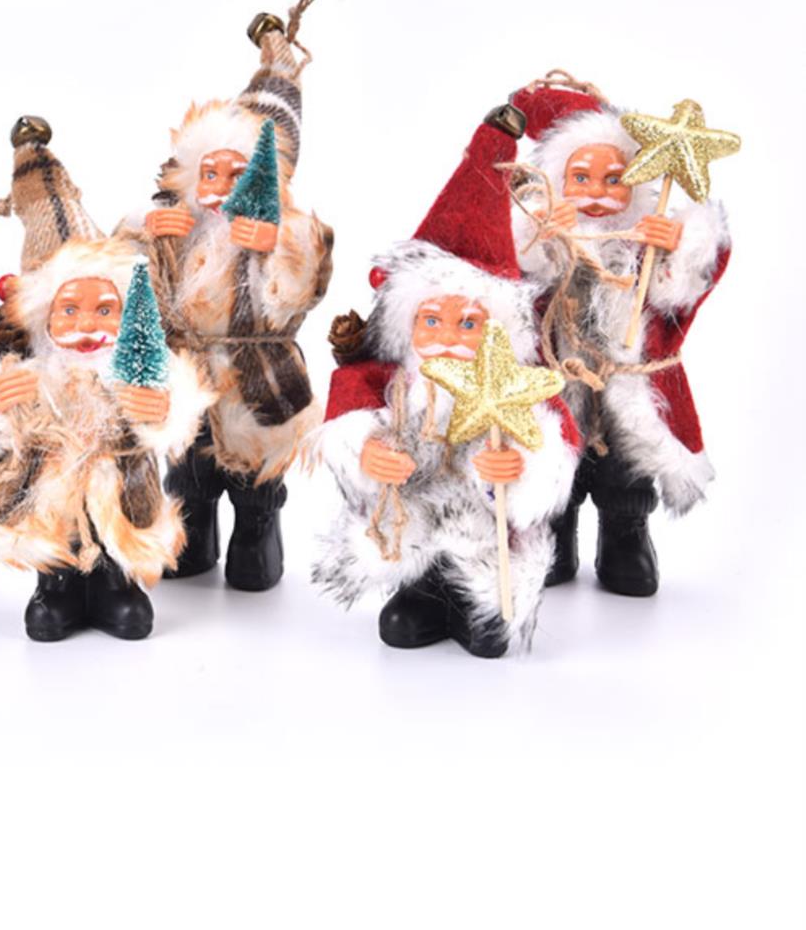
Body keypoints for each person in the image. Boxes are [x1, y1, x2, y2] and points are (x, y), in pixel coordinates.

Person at [312, 110, 580, 656]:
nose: (449, 337)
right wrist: (367, 454)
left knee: (487, 608)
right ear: (407, 325)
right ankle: (422, 594)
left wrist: (518, 469)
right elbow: (347, 421)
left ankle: (478, 604)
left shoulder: (521, 385)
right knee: (402, 615)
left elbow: (554, 445)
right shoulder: (393, 385)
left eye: (469, 324)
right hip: (413, 522)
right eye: (431, 321)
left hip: (485, 534)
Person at [0, 117, 212, 641]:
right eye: (70, 311)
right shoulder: (31, 369)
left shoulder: (135, 362)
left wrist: (166, 408)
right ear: (44, 317)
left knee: (118, 528)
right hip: (50, 483)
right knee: (55, 527)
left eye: (104, 310)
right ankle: (57, 588)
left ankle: (116, 585)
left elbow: (179, 402)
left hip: (124, 485)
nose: (88, 326)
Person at [122, 0, 333, 592]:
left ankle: (257, 532)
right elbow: (124, 291)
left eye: (235, 173)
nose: (220, 186)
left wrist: (279, 243)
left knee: (254, 472)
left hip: (257, 373)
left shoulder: (283, 229)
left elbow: (306, 285)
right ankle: (193, 534)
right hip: (187, 370)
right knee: (189, 467)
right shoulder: (174, 226)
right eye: (208, 173)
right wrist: (145, 234)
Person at [505, 80, 732, 596]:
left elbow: (689, 288)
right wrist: (540, 235)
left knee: (625, 463)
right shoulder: (543, 240)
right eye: (580, 178)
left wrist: (681, 245)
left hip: (625, 382)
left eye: (614, 179)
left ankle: (625, 533)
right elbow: (503, 284)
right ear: (558, 183)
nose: (596, 192)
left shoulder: (641, 246)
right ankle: (555, 535)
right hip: (554, 381)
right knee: (553, 454)